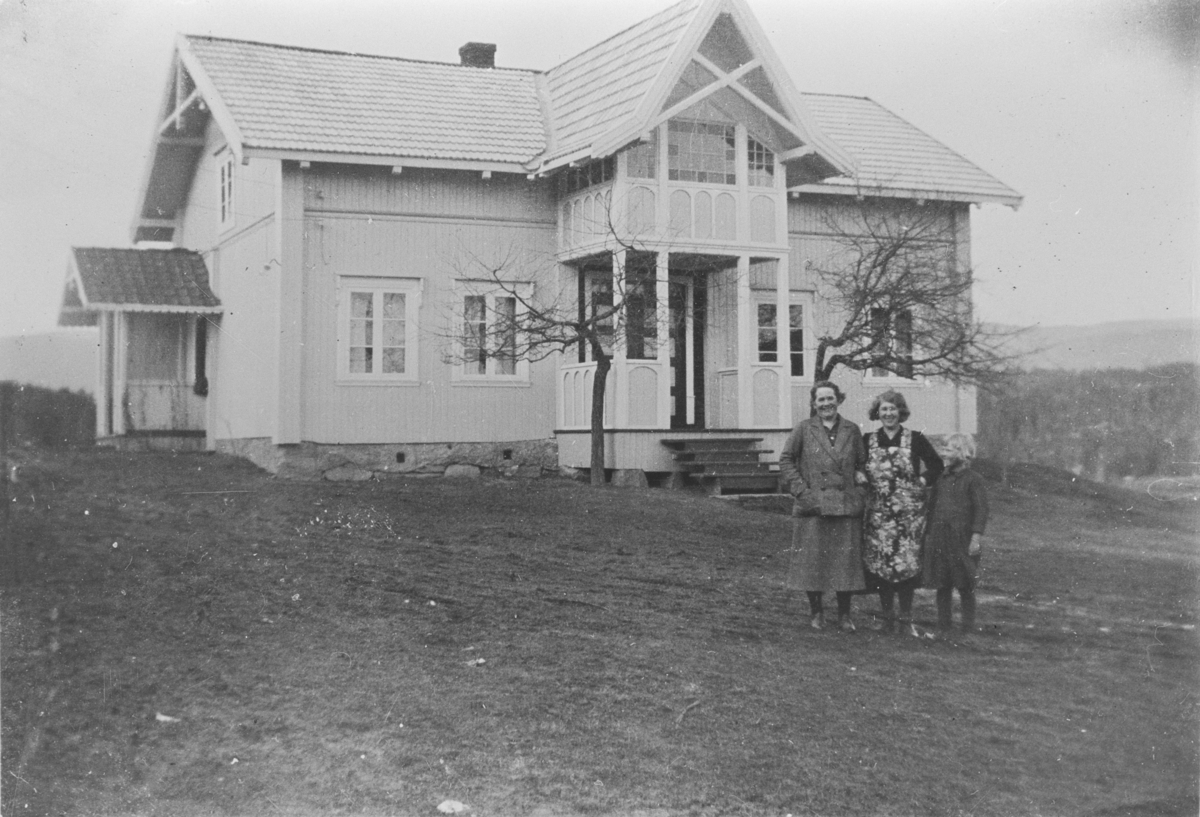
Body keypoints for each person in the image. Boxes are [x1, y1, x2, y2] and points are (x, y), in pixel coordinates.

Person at [778, 380, 868, 632]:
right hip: (813, 506)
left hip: (844, 505)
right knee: (812, 562)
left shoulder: (851, 429)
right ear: (814, 404)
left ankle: (844, 615)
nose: (826, 403)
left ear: (839, 399)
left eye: (830, 398)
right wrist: (802, 492)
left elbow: (862, 463)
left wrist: (859, 490)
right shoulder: (804, 429)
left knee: (844, 563)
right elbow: (786, 461)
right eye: (821, 399)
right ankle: (816, 612)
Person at [862, 390, 944, 636]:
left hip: (908, 515)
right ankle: (887, 617)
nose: (888, 414)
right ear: (878, 412)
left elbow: (936, 465)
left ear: (901, 412)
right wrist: (861, 476)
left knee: (906, 565)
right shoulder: (868, 439)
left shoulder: (915, 438)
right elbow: (857, 466)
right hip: (879, 515)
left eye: (893, 409)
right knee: (882, 565)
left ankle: (906, 618)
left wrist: (921, 478)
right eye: (884, 409)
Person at [923, 433, 989, 633]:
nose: (944, 453)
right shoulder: (941, 478)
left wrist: (976, 537)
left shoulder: (973, 480)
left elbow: (981, 509)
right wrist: (927, 534)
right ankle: (944, 626)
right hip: (940, 537)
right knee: (942, 584)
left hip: (962, 539)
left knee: (965, 584)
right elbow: (932, 506)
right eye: (943, 449)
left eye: (949, 449)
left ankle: (967, 627)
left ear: (962, 453)